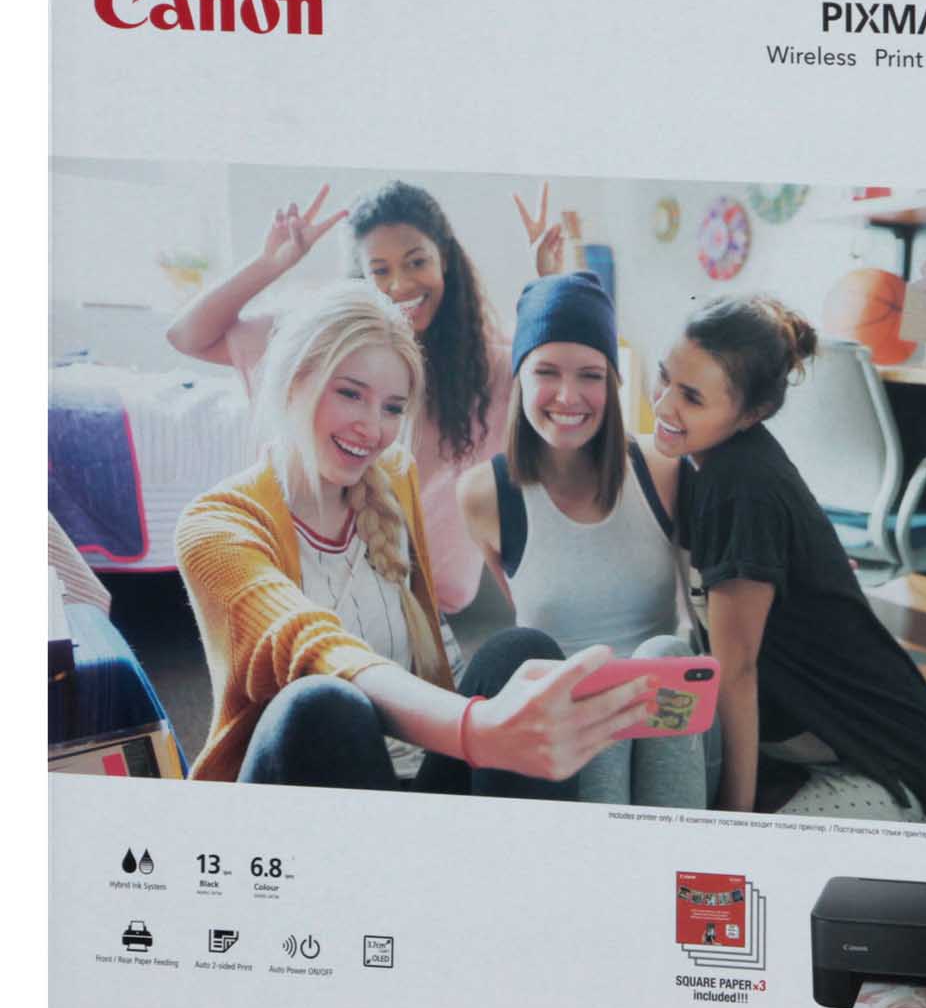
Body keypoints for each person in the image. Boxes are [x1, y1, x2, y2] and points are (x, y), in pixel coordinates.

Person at [176, 284, 651, 795]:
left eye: (392, 408)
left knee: (522, 652)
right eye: (350, 393)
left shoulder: (393, 477)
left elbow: (430, 632)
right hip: (309, 785)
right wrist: (476, 729)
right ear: (295, 380)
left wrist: (495, 721)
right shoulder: (217, 526)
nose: (372, 428)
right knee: (322, 703)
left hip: (415, 775)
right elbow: (312, 645)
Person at [653, 293, 926, 819]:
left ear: (752, 414)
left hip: (886, 764)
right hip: (805, 745)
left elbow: (736, 669)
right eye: (663, 377)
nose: (662, 405)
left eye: (691, 398)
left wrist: (736, 816)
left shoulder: (740, 487)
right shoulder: (707, 462)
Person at [166, 180, 512, 613]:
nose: (400, 284)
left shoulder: (489, 364)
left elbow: (557, 373)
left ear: (444, 257)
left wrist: (552, 279)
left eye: (416, 262)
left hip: (424, 589)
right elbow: (187, 335)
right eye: (380, 270)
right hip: (321, 579)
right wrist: (270, 264)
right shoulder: (331, 340)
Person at [458, 270, 712, 808]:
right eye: (546, 372)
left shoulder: (662, 469)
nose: (568, 396)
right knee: (593, 699)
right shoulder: (484, 495)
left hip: (665, 722)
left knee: (665, 653)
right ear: (519, 377)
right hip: (566, 732)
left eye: (590, 375)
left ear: (612, 383)